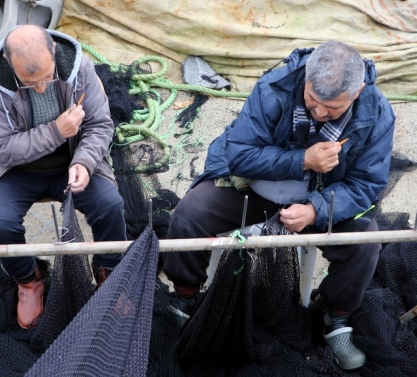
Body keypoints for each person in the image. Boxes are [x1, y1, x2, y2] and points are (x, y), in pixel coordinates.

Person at [163, 41, 395, 370]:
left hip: (320, 198)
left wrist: (316, 211)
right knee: (189, 215)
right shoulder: (273, 88)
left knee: (364, 241)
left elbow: (366, 185)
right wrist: (303, 160)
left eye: (332, 109)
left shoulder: (378, 113)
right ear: (306, 80)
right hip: (251, 189)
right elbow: (239, 155)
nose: (319, 113)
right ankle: (185, 298)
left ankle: (336, 318)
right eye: (312, 101)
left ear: (357, 92)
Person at [0, 25, 126, 329]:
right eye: (30, 83)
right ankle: (29, 281)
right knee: (0, 224)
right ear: (7, 59)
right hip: (14, 171)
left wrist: (84, 161)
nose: (41, 88)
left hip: (70, 162)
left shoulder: (79, 67)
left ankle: (109, 270)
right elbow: (1, 150)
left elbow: (99, 125)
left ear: (54, 50)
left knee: (110, 205)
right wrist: (57, 131)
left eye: (46, 78)